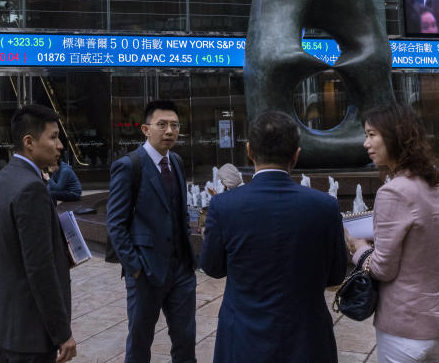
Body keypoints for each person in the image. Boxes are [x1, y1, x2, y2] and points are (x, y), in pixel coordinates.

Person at [201, 111, 345, 363]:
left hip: (244, 340)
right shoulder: (324, 206)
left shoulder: (224, 206)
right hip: (307, 341)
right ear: (296, 155)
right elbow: (335, 275)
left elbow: (212, 267)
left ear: (249, 151)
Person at [346, 103, 439, 363]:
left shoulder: (393, 191)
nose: (366, 143)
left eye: (372, 134)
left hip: (405, 329)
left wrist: (357, 246)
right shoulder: (434, 186)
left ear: (394, 136)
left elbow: (383, 269)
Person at [0, 104, 77, 363]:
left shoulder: (5, 177)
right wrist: (62, 333)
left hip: (6, 326)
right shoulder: (31, 188)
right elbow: (39, 268)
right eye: (53, 137)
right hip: (29, 333)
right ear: (29, 142)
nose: (60, 146)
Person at [106, 99, 196, 363]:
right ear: (145, 129)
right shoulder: (129, 165)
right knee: (140, 341)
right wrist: (134, 267)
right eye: (162, 125)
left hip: (181, 269)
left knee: (186, 340)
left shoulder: (176, 161)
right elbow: (115, 223)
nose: (169, 131)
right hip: (146, 271)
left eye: (175, 125)